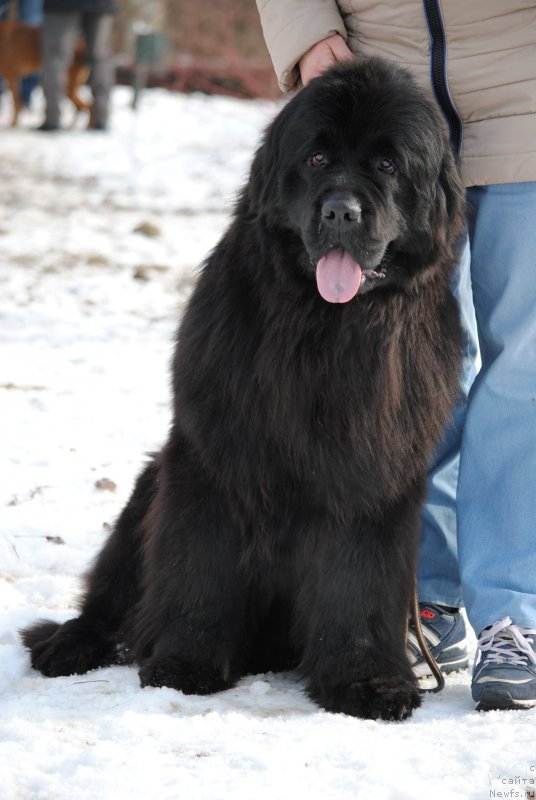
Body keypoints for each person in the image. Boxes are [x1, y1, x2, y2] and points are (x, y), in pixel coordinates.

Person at [256, 0, 536, 712]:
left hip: (525, 91)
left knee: (525, 370)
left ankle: (512, 612)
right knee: (409, 373)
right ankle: (419, 596)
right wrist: (307, 34)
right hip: (378, 96)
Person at [39, 0, 116, 130]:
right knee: (100, 57)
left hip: (61, 5)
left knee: (55, 57)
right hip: (101, 4)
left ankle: (52, 118)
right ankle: (101, 118)